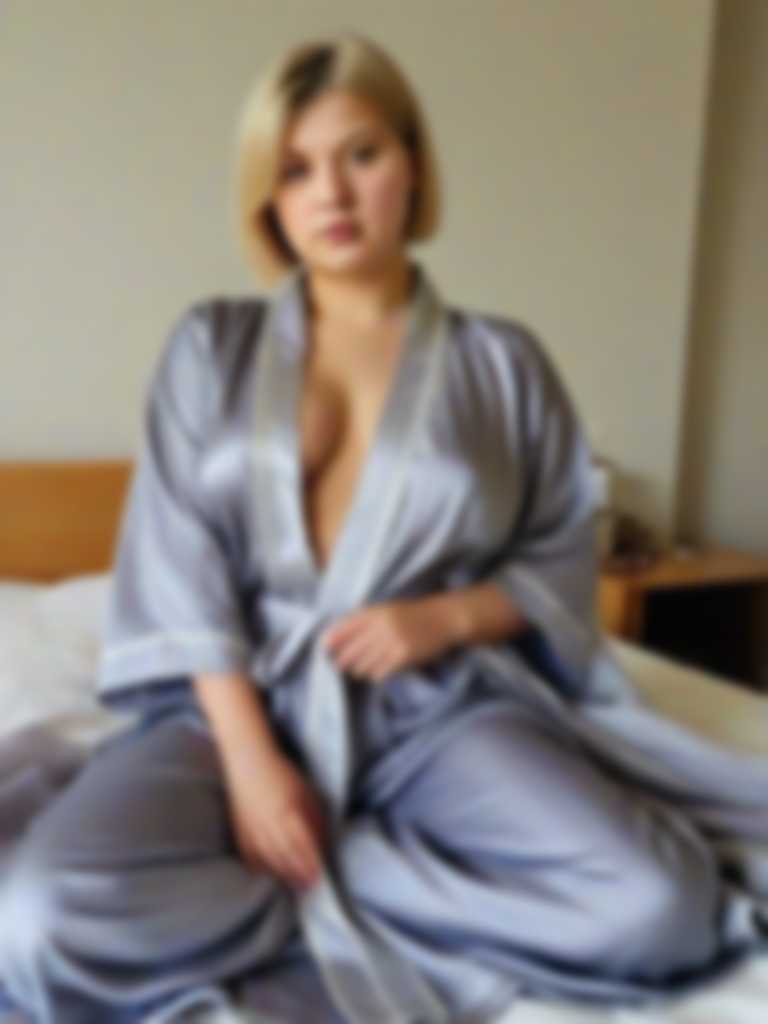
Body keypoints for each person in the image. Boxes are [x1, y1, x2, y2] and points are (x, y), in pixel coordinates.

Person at [2, 29, 768, 1024]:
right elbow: (181, 568)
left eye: (361, 154)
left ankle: (347, 871)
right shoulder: (210, 349)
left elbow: (560, 556)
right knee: (40, 921)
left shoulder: (504, 365)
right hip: (232, 712)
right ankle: (381, 889)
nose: (332, 193)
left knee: (660, 908)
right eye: (296, 169)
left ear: (412, 162)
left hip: (437, 712)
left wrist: (443, 618)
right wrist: (253, 767)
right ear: (268, 196)